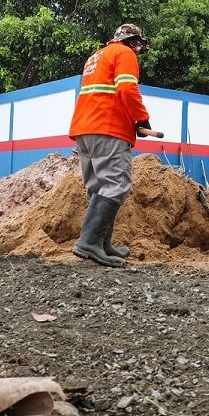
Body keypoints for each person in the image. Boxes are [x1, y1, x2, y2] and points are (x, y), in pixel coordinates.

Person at [67, 24, 155, 268]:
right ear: (134, 42)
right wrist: (141, 118)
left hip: (85, 129)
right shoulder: (124, 54)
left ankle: (102, 244)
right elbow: (127, 87)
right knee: (117, 184)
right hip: (108, 127)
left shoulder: (96, 56)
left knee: (98, 186)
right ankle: (89, 243)